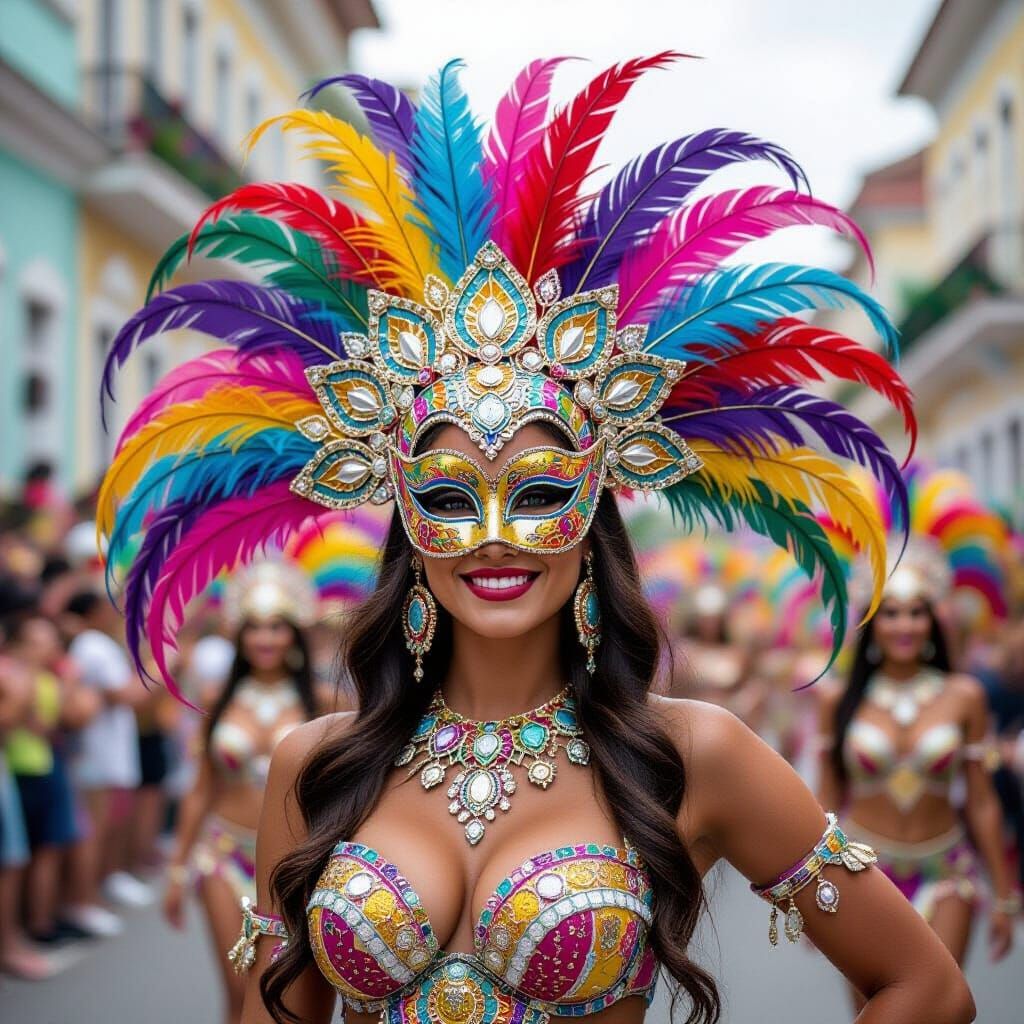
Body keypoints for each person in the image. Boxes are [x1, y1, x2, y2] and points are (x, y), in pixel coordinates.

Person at [100, 57, 975, 1024]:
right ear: (406, 524)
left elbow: (928, 988)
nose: (493, 538)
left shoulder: (697, 756)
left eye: (540, 492)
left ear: (595, 513)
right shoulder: (313, 766)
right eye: (448, 497)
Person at [818, 559, 1017, 1008]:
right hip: (861, 876)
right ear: (872, 623)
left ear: (932, 620)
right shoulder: (838, 700)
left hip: (946, 874)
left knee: (935, 1008)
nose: (904, 625)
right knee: (876, 1011)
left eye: (916, 612)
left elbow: (983, 803)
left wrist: (1005, 896)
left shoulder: (965, 697)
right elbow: (826, 802)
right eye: (890, 613)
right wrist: (811, 885)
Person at [163, 562, 318, 1024]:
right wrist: (177, 869)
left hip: (294, 863)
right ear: (239, 635)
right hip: (224, 855)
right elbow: (200, 790)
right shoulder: (218, 698)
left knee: (284, 994)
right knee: (238, 988)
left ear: (294, 634)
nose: (265, 638)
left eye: (276, 627)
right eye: (254, 628)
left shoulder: (324, 700)